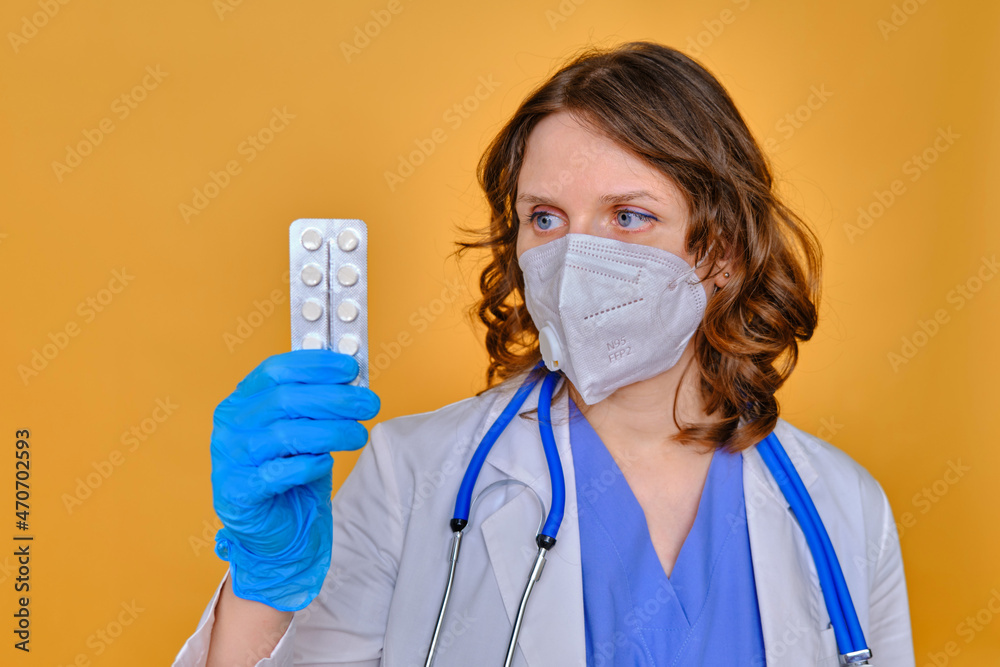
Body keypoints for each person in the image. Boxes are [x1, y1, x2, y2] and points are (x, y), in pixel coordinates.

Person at [174, 41, 915, 666]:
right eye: (546, 217)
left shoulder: (843, 508)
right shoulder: (413, 475)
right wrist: (262, 586)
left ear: (719, 250)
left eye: (628, 216)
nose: (576, 255)